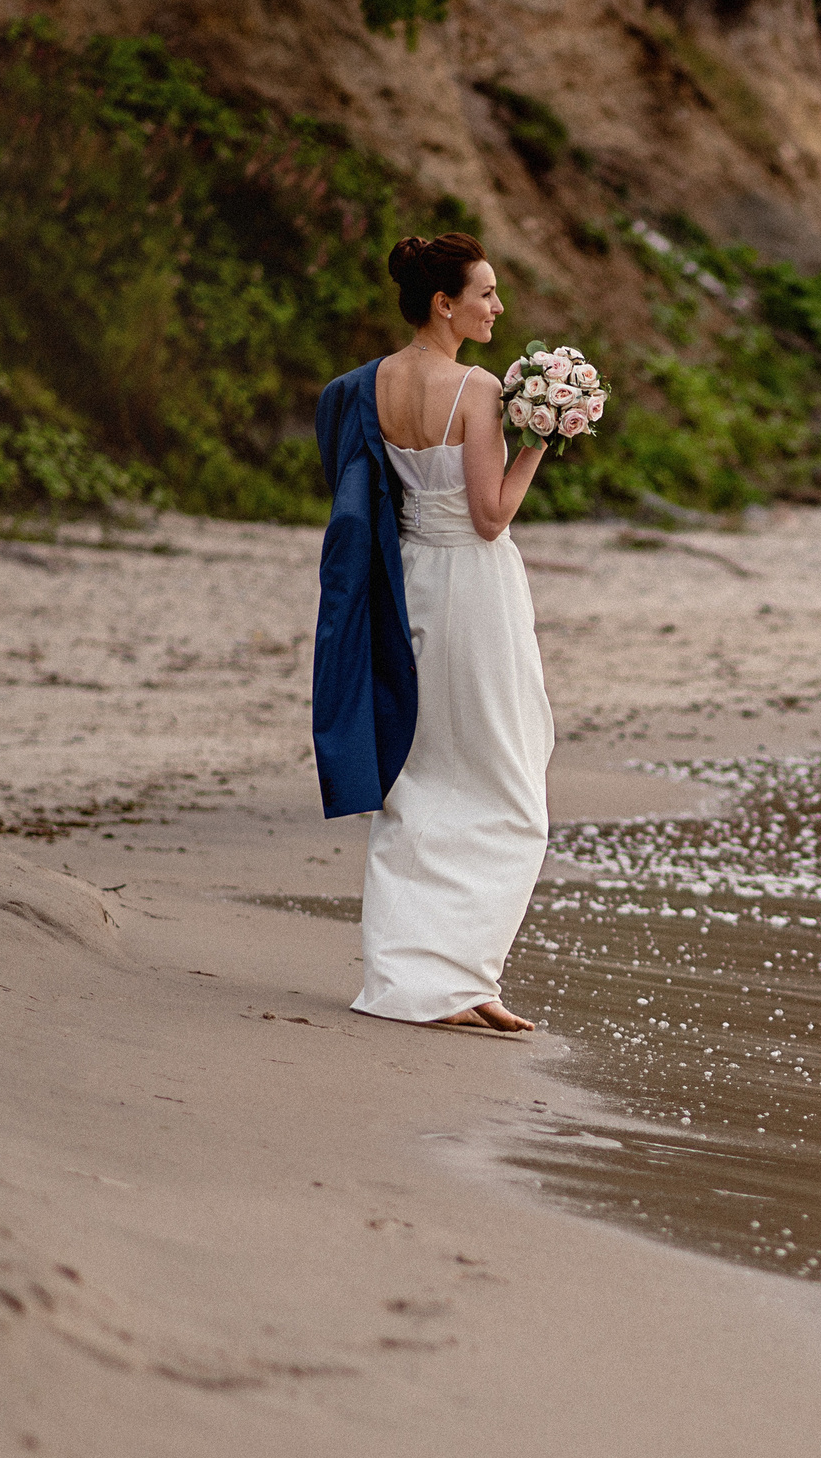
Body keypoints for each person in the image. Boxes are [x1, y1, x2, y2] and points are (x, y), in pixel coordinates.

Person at [312, 232, 552, 1032]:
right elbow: (490, 518)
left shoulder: (370, 382)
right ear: (445, 303)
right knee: (508, 784)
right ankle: (455, 978)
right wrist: (540, 446)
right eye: (485, 293)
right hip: (474, 594)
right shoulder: (476, 387)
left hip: (407, 583)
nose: (497, 306)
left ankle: (422, 977)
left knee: (418, 778)